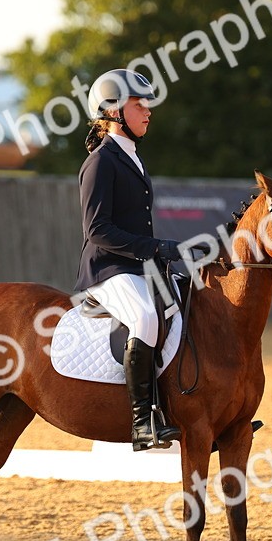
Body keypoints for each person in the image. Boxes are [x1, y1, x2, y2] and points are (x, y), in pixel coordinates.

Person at [74, 68, 185, 451]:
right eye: (139, 105)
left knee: (190, 301)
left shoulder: (132, 157)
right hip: (107, 269)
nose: (148, 111)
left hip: (137, 266)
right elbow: (97, 230)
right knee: (145, 317)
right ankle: (142, 422)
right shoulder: (101, 162)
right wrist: (154, 248)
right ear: (114, 110)